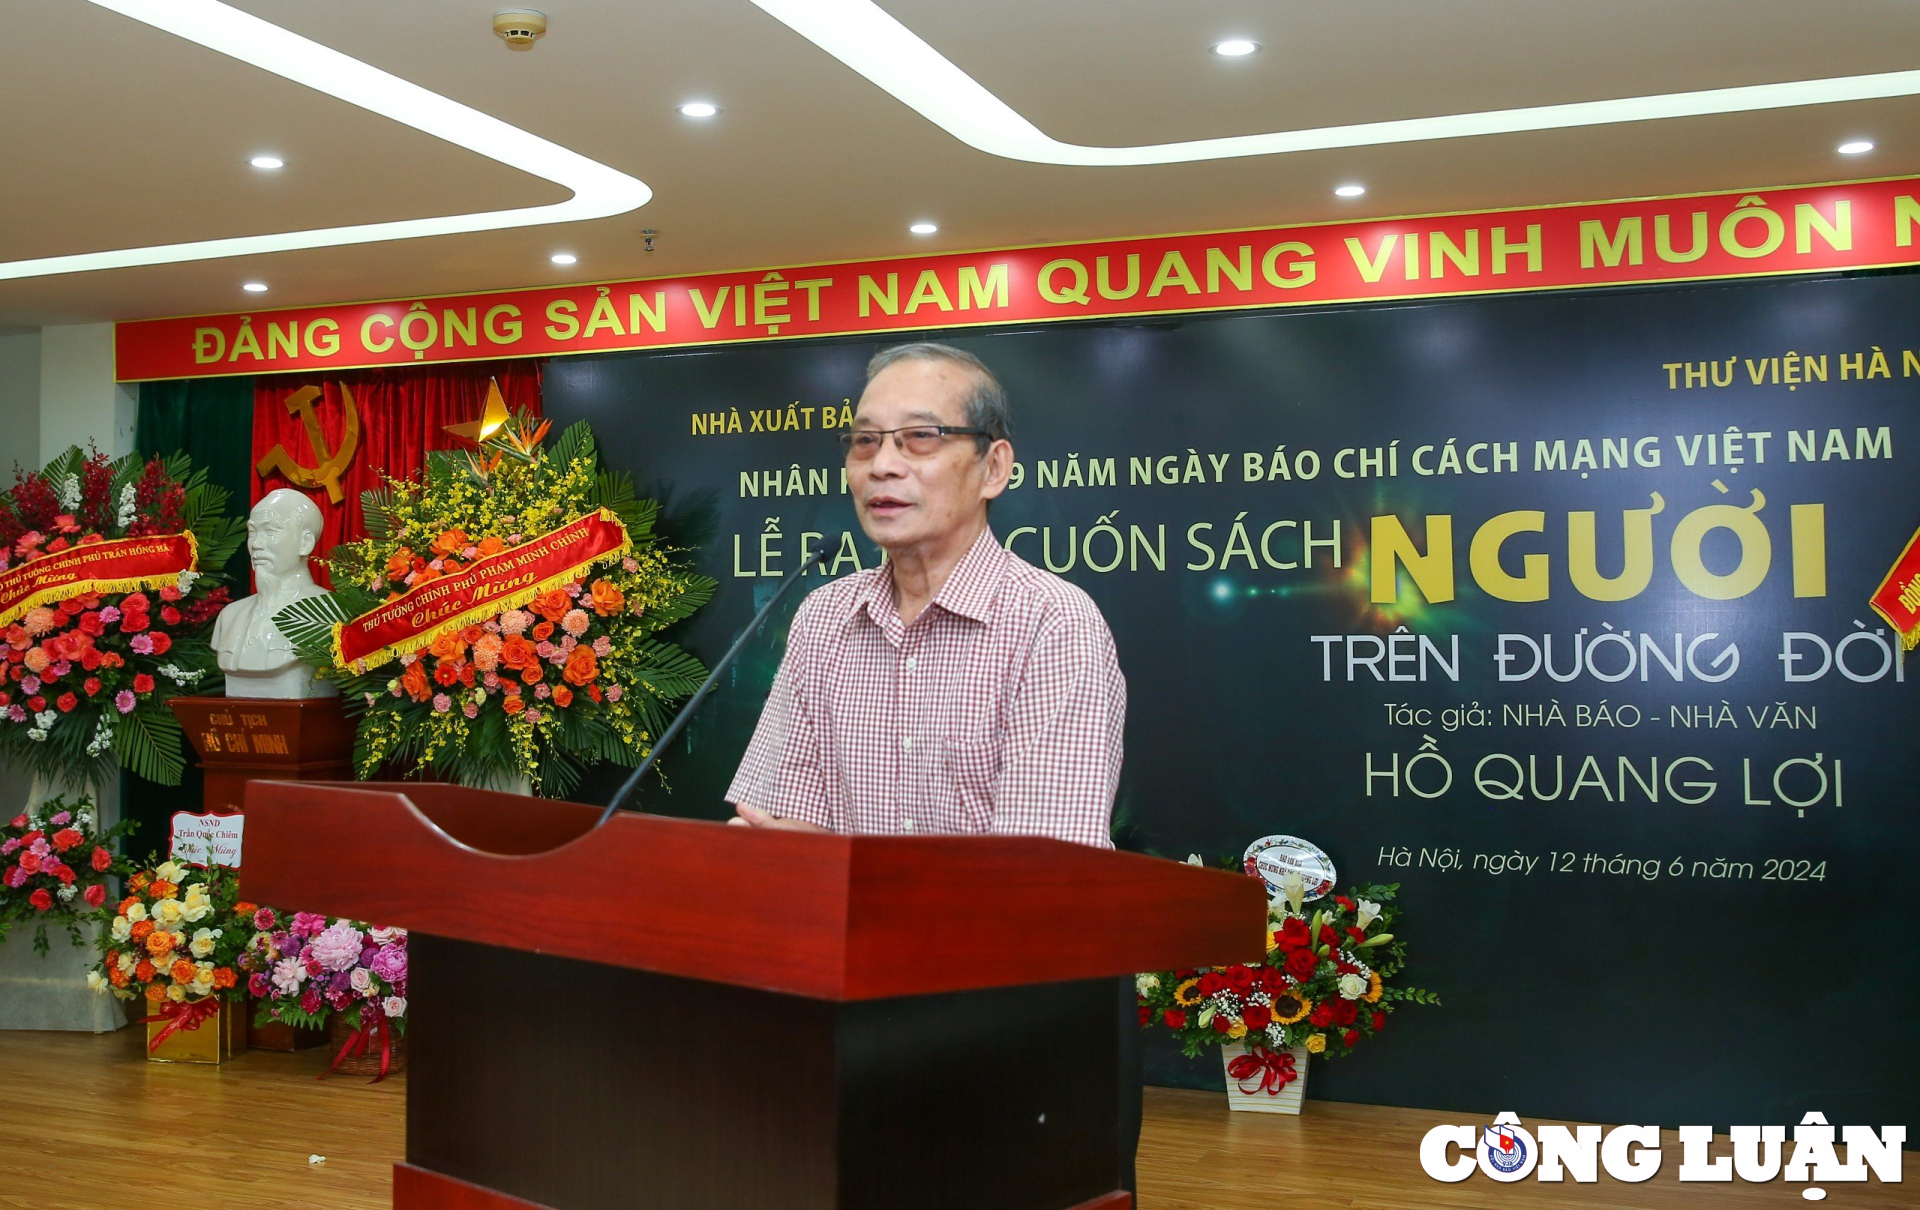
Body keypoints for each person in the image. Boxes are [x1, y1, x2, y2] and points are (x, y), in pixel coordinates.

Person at [726, 341, 1139, 1191]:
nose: (883, 466)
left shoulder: (1053, 626)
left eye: (919, 439)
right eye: (864, 441)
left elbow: (1040, 875)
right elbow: (781, 825)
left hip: (1016, 1033)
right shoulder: (822, 619)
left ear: (993, 467)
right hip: (850, 1020)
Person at [210, 488, 337, 699]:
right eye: (253, 532)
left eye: (270, 531)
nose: (256, 544)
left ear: (305, 543)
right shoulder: (230, 616)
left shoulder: (329, 611)